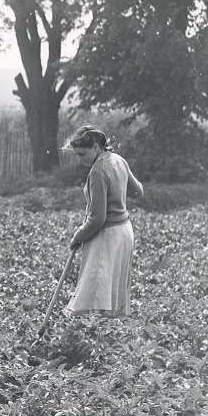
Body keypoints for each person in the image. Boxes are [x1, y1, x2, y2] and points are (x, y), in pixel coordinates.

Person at [63, 125, 144, 318]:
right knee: (110, 290)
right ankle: (108, 337)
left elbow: (97, 218)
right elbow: (138, 191)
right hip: (124, 232)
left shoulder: (98, 171)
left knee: (96, 291)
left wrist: (78, 235)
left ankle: (92, 340)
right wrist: (119, 190)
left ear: (97, 147)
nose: (81, 160)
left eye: (83, 154)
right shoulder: (118, 160)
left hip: (107, 236)